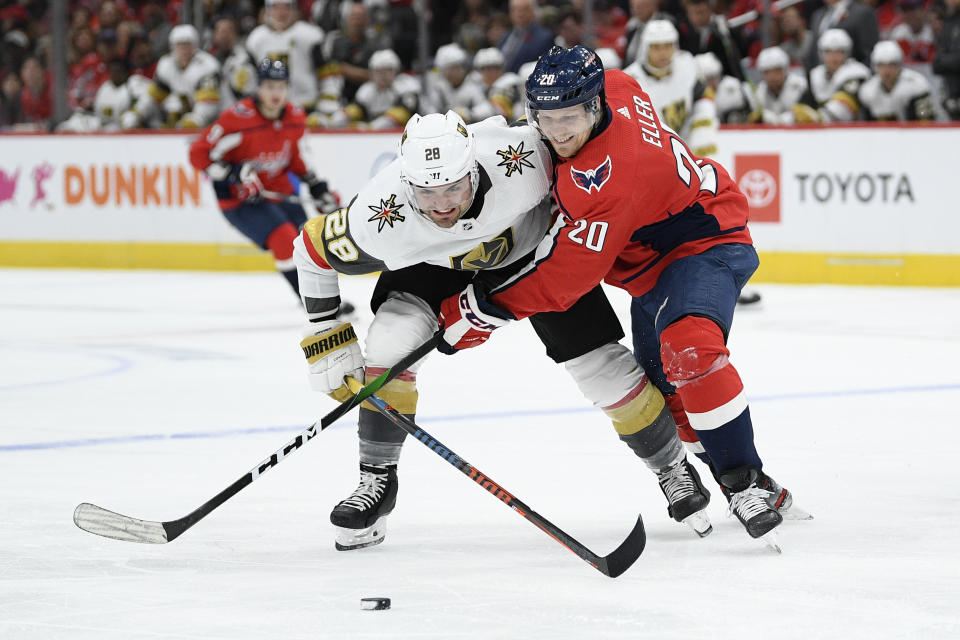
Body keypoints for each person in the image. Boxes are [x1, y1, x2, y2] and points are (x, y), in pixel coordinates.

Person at [436, 45, 806, 548]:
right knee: (669, 392)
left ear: (591, 108)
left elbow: (566, 277)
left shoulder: (609, 178)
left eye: (568, 117)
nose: (556, 131)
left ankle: (744, 483)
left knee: (691, 348)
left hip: (704, 243)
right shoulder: (617, 85)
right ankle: (748, 480)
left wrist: (483, 310)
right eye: (544, 117)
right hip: (652, 267)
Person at [292, 110, 712, 550]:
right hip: (435, 265)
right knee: (388, 345)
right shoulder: (382, 214)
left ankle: (672, 468)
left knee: (603, 370)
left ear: (473, 167)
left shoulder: (526, 156)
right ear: (405, 183)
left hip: (534, 256)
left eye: (454, 186)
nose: (443, 205)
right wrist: (327, 335)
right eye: (426, 191)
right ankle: (375, 482)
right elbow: (310, 249)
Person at [189, 59, 338, 299]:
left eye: (280, 86)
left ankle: (324, 299)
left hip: (279, 191)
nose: (275, 93)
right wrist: (230, 173)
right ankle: (313, 302)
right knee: (285, 241)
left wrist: (316, 186)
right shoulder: (237, 118)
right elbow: (198, 153)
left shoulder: (295, 117)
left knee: (308, 244)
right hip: (241, 200)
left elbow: (295, 156)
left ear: (288, 88)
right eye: (269, 86)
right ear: (258, 87)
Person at [623, 20, 718, 158]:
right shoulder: (630, 80)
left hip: (687, 148)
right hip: (650, 154)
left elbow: (704, 94)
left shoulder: (686, 63)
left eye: (668, 46)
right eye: (656, 47)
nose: (663, 53)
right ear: (645, 48)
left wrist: (702, 124)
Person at [121, 24, 220, 129]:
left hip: (215, 121)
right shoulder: (166, 65)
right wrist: (137, 113)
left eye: (187, 45)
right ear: (173, 47)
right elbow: (154, 97)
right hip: (185, 114)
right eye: (180, 45)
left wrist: (196, 119)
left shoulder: (207, 65)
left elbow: (209, 105)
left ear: (195, 46)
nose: (184, 50)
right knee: (172, 106)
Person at [793, 28, 870, 123]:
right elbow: (802, 105)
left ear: (847, 53)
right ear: (821, 54)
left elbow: (842, 110)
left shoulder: (857, 74)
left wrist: (815, 117)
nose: (834, 57)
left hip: (854, 131)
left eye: (839, 52)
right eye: (829, 52)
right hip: (823, 131)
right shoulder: (815, 75)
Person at [859, 40, 934, 120]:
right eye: (882, 65)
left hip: (912, 131)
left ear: (899, 65)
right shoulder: (868, 89)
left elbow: (925, 121)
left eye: (891, 65)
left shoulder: (917, 85)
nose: (887, 71)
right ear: (875, 67)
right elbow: (866, 126)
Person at [750, 45, 809, 124]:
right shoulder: (759, 92)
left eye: (776, 71)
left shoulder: (800, 87)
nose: (772, 77)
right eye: (767, 72)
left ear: (785, 70)